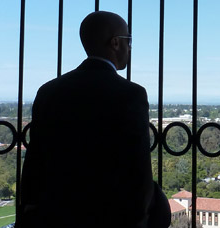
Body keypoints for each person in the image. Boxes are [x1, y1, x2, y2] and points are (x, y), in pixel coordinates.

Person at [18, 11, 170, 228]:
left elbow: (35, 159)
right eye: (129, 40)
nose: (130, 47)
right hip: (109, 216)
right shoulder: (130, 94)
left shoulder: (49, 91)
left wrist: (30, 209)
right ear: (115, 43)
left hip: (56, 215)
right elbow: (138, 170)